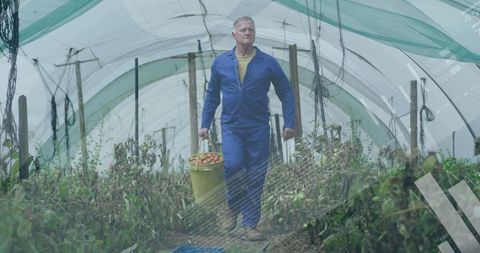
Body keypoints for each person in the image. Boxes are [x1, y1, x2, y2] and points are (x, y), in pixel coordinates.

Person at [199, 16, 296, 241]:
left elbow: (286, 92)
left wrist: (289, 122)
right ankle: (232, 208)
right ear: (234, 34)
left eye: (251, 29)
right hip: (232, 125)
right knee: (233, 166)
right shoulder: (221, 63)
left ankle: (250, 224)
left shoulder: (267, 62)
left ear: (254, 34)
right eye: (243, 29)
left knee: (256, 174)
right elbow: (212, 94)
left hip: (258, 127)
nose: (247, 32)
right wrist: (205, 123)